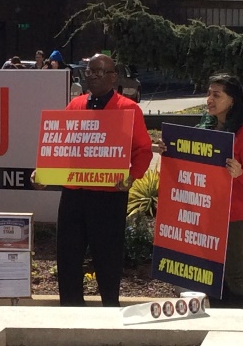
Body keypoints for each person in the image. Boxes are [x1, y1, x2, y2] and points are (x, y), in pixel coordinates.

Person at [34, 53, 152, 307]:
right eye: (89, 72)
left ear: (113, 77)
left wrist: (132, 177)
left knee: (107, 259)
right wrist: (43, 172)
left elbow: (143, 150)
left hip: (109, 195)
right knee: (68, 257)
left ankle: (110, 310)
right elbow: (61, 146)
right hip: (74, 195)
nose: (92, 76)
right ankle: (71, 309)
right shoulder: (75, 105)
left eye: (99, 72)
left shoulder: (128, 109)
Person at [174, 73, 243, 308]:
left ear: (232, 100)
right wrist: (169, 150)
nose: (209, 99)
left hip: (233, 214)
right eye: (208, 93)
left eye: (216, 94)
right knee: (207, 267)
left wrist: (240, 173)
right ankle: (218, 310)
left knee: (231, 268)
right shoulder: (205, 126)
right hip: (205, 209)